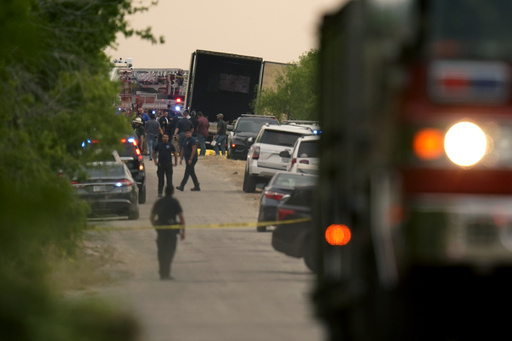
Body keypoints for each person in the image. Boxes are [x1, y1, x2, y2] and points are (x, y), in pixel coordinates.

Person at [150, 185, 185, 280]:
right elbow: (181, 217)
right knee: (170, 251)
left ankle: (162, 272)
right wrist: (183, 232)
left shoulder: (159, 202)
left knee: (161, 251)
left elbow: (152, 217)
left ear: (165, 191)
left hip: (161, 230)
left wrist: (156, 227)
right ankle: (166, 272)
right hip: (171, 231)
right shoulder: (174, 202)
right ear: (173, 192)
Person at [153, 133, 178, 197]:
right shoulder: (159, 145)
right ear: (162, 138)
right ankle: (160, 192)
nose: (165, 138)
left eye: (166, 137)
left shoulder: (170, 145)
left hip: (168, 165)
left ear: (168, 138)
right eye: (164, 137)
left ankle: (169, 193)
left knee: (169, 179)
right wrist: (155, 161)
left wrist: (175, 162)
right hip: (161, 164)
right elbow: (154, 152)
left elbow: (175, 153)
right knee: (161, 179)